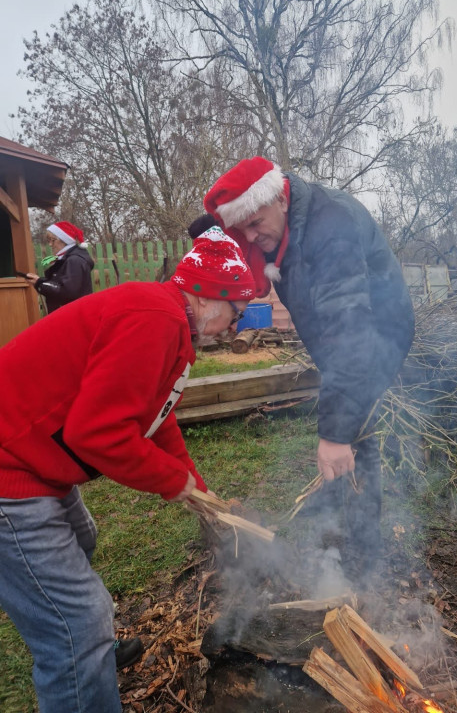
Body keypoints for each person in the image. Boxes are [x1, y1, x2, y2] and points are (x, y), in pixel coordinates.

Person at [0, 226, 255, 713]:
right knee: (79, 623)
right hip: (9, 469)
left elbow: (155, 420)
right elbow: (96, 434)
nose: (236, 327)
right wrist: (171, 482)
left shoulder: (169, 321)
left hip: (36, 460)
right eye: (236, 313)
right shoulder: (153, 318)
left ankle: (83, 651)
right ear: (206, 296)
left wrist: (200, 493)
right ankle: (77, 651)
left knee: (84, 539)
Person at [201, 157, 415, 576]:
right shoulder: (280, 225)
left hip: (377, 336)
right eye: (241, 227)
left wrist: (334, 435)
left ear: (280, 198)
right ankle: (335, 497)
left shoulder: (331, 226)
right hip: (338, 338)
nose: (250, 236)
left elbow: (350, 334)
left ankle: (365, 549)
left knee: (356, 429)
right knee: (342, 415)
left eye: (254, 222)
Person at [25, 220, 94, 313]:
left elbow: (66, 292)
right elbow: (61, 286)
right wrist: (40, 282)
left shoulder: (74, 261)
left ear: (65, 240)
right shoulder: (67, 259)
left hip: (71, 316)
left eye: (53, 240)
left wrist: (40, 283)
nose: (50, 244)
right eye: (49, 240)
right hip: (69, 314)